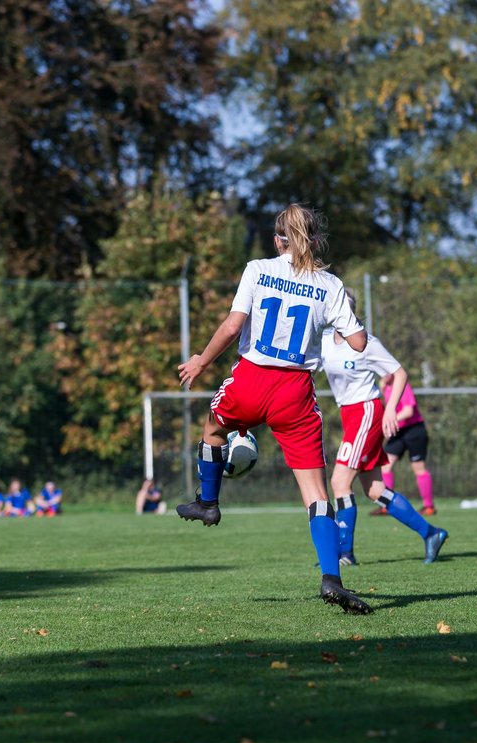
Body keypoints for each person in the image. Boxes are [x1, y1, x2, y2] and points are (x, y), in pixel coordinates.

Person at [175, 203, 373, 614]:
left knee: (213, 430)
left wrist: (200, 361)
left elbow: (232, 326)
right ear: (315, 239)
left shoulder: (258, 269)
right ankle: (331, 579)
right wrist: (352, 324)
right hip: (295, 392)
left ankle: (209, 502)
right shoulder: (330, 284)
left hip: (252, 377)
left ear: (278, 238)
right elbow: (357, 343)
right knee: (317, 495)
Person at [320, 291, 448, 565]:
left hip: (367, 411)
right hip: (349, 415)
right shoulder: (324, 343)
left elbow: (399, 373)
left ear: (352, 313)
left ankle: (345, 554)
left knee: (339, 482)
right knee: (375, 490)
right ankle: (431, 533)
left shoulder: (366, 343)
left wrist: (390, 409)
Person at [374, 375, 437, 516]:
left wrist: (390, 420)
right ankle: (386, 505)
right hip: (399, 431)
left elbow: (408, 411)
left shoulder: (402, 384)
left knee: (418, 468)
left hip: (414, 430)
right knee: (385, 465)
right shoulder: (384, 386)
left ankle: (429, 507)